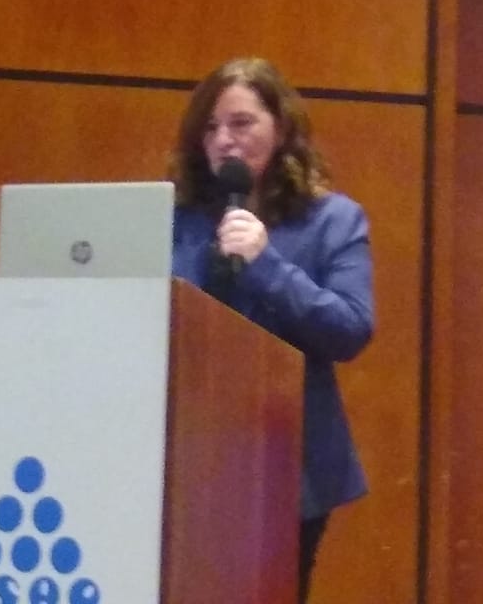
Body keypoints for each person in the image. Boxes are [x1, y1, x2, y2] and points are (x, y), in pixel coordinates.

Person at [168, 56, 374, 604]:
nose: (224, 141)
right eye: (211, 128)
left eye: (241, 123)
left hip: (288, 461)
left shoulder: (333, 221)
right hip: (186, 454)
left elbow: (350, 329)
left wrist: (267, 265)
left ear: (280, 129)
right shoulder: (177, 221)